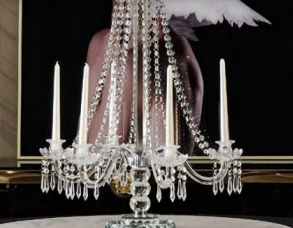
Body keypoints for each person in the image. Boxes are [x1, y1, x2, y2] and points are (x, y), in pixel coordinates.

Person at [85, 0, 269, 153]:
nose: (122, 9)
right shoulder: (103, 43)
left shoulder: (175, 55)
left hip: (156, 174)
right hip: (117, 174)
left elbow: (173, 161)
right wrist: (105, 56)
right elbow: (85, 149)